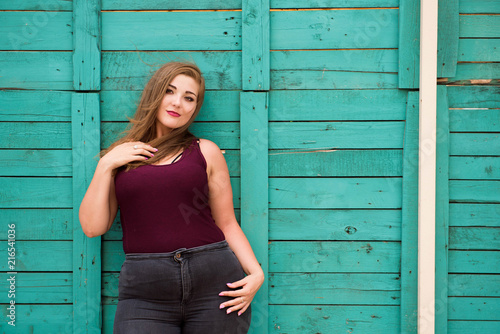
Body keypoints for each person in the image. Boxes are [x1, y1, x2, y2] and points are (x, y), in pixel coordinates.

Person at [78, 61, 265, 333]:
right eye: (170, 91)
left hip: (214, 285)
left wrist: (256, 273)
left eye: (189, 98)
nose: (178, 103)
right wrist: (105, 164)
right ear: (155, 94)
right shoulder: (122, 156)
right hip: (144, 292)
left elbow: (227, 223)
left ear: (195, 108)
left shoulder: (205, 151)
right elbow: (93, 227)